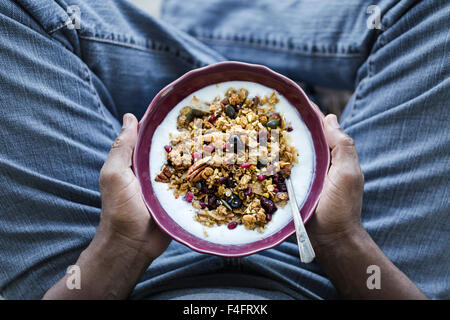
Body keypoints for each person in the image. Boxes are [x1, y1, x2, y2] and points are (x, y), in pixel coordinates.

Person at [0, 0, 448, 299]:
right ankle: (215, 24)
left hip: (120, 269)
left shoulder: (121, 245)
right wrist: (342, 240)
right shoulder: (338, 242)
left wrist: (122, 246)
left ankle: (201, 22)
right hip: (326, 270)